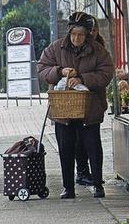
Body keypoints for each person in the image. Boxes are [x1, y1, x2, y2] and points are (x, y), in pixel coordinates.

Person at [38, 12, 113, 199]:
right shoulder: (56, 48)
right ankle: (68, 188)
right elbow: (42, 68)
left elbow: (106, 73)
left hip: (90, 108)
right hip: (63, 110)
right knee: (66, 147)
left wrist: (82, 78)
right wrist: (60, 71)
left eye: (80, 35)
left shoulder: (98, 51)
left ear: (87, 35)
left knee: (93, 146)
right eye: (73, 34)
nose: (76, 38)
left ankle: (98, 184)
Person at [75, 15, 106, 186]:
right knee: (79, 140)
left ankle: (94, 175)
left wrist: (85, 79)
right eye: (91, 30)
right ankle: (82, 171)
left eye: (95, 30)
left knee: (93, 140)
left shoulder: (99, 47)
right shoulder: (78, 47)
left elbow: (103, 74)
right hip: (77, 101)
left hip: (94, 100)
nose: (93, 33)